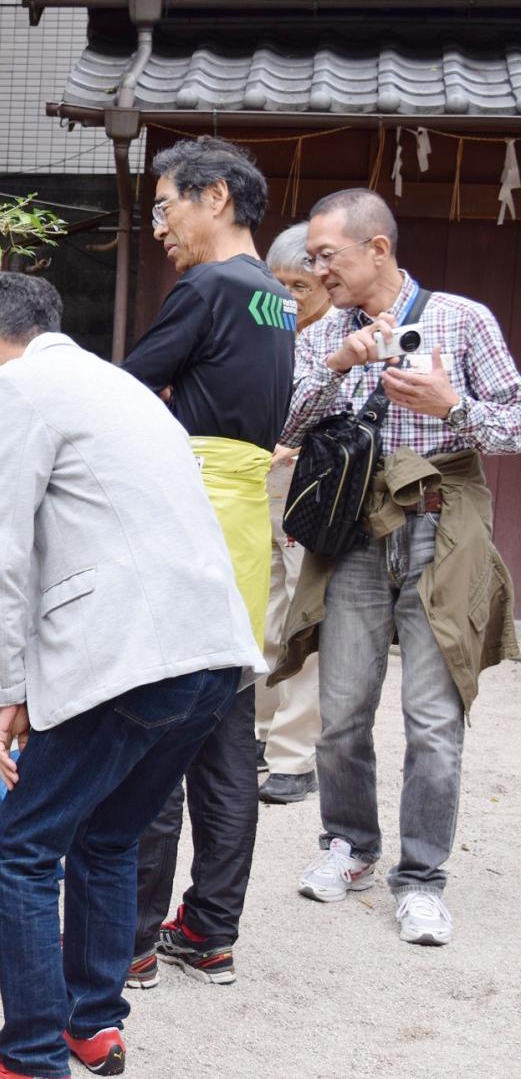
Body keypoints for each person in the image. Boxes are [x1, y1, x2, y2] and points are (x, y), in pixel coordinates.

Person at [0, 272, 261, 1079]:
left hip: (127, 651)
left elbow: (2, 549)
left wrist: (5, 690)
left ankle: (30, 1055)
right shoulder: (121, 387)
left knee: (21, 849)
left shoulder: (16, 386)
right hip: (210, 648)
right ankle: (93, 1025)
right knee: (108, 836)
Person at [275, 188, 520, 945]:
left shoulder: (461, 319)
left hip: (442, 528)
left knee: (433, 719)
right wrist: (337, 366)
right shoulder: (324, 330)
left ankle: (420, 879)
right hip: (353, 531)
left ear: (376, 248)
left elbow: (514, 421)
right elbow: (285, 424)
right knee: (341, 709)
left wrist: (453, 407)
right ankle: (349, 845)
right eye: (311, 258)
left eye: (326, 256)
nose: (317, 269)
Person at [119, 135, 293, 988]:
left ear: (213, 196)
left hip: (190, 516)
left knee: (156, 728)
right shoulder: (277, 298)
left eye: (165, 207)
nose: (160, 228)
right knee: (226, 735)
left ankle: (131, 940)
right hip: (246, 523)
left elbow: (125, 390)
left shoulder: (208, 285)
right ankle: (211, 931)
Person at [255, 223, 331, 805]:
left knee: (302, 621)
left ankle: (294, 756)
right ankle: (259, 733)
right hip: (262, 485)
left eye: (301, 285)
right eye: (280, 285)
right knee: (261, 614)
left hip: (314, 489)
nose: (290, 297)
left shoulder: (343, 336)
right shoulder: (269, 328)